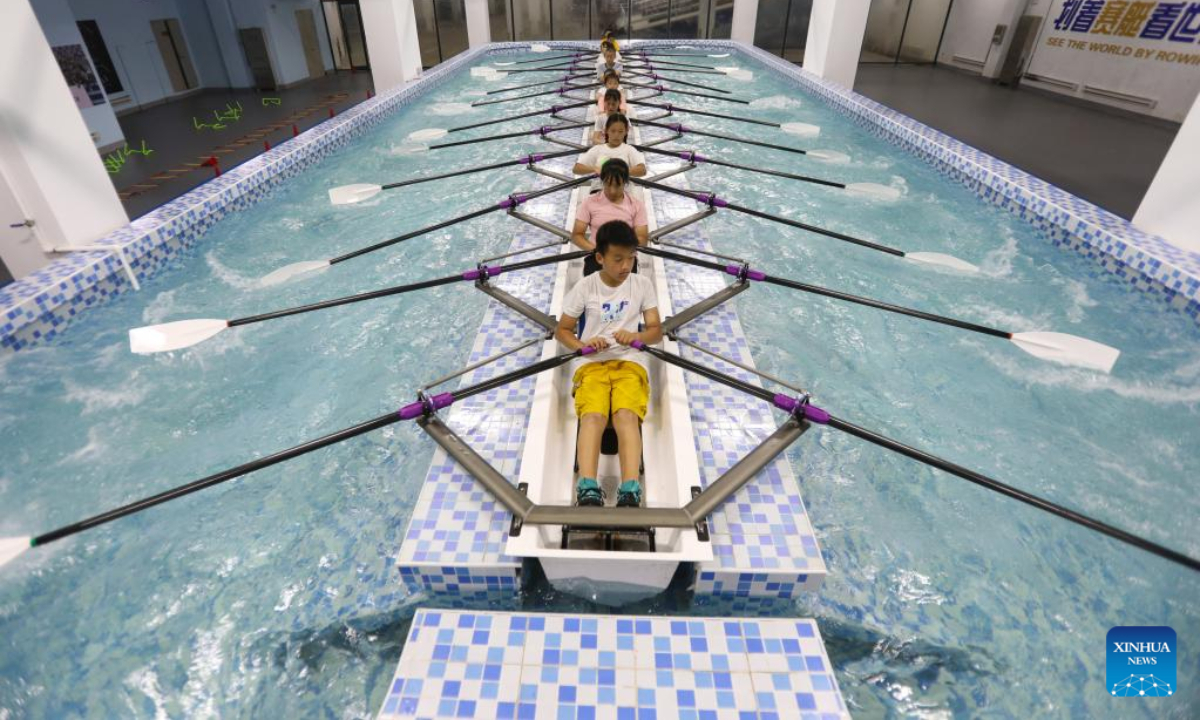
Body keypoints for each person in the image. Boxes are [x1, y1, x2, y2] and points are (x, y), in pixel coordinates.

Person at [555, 220, 662, 508]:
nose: (626, 265)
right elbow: (562, 331)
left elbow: (655, 331)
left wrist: (636, 335)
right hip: (592, 363)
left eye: (631, 258)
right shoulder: (585, 287)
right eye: (618, 259)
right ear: (599, 258)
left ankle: (630, 488)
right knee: (593, 417)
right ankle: (587, 486)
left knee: (625, 416)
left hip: (630, 361)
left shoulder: (642, 284)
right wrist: (583, 346)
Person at [573, 114, 646, 181]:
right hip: (598, 189)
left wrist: (620, 171)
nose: (616, 135)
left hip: (623, 190)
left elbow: (642, 170)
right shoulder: (597, 149)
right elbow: (576, 169)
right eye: (613, 131)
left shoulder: (630, 149)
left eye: (620, 131)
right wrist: (595, 169)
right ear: (606, 130)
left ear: (626, 131)